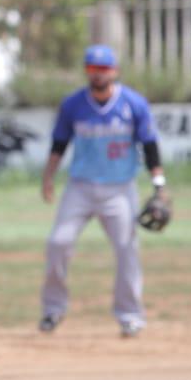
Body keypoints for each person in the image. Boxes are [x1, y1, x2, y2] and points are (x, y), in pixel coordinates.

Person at [38, 44, 166, 338]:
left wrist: (159, 184)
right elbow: (59, 144)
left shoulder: (133, 103)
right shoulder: (73, 105)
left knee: (127, 250)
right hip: (80, 187)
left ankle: (130, 315)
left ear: (115, 71)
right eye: (92, 69)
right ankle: (53, 310)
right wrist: (48, 178)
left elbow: (149, 146)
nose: (97, 74)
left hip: (119, 189)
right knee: (58, 243)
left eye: (103, 69)